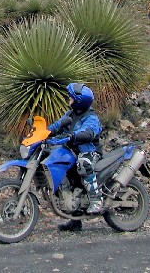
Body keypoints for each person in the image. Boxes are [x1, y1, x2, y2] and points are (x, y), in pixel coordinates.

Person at [47, 82, 103, 232]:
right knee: (65, 174)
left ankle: (96, 200)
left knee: (83, 164)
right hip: (72, 152)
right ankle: (75, 221)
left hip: (89, 151)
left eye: (71, 97)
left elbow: (89, 131)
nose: (68, 99)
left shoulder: (91, 117)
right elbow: (57, 126)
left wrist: (75, 136)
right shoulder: (70, 115)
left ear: (79, 100)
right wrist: (45, 132)